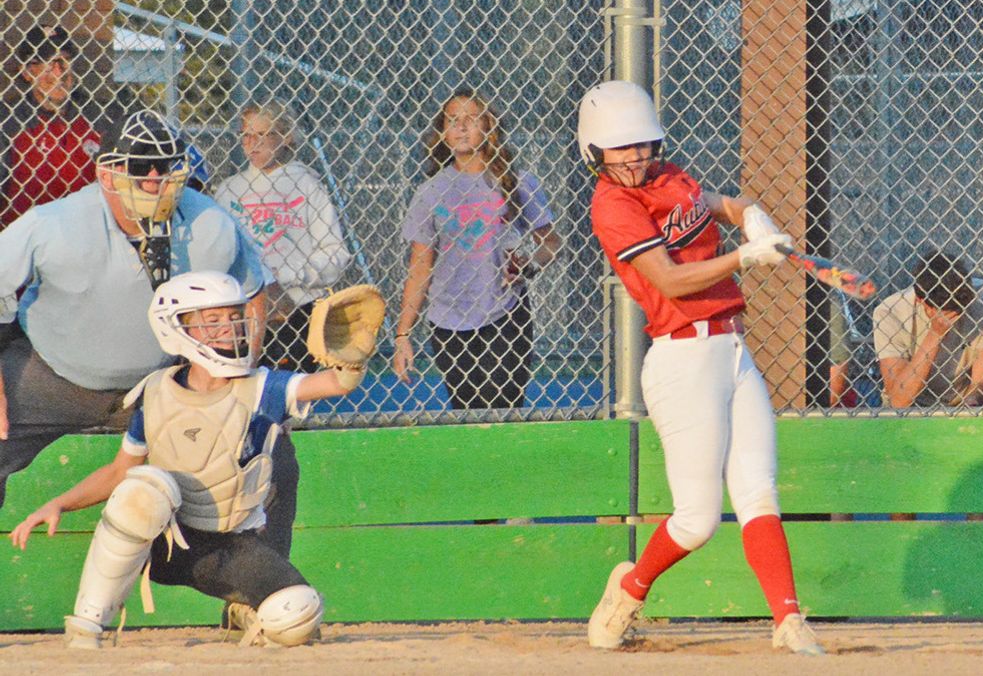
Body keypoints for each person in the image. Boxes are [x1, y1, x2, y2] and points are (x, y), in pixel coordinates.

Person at [577, 80, 824, 656]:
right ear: (595, 152)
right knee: (697, 520)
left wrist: (751, 216)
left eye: (642, 144)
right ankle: (629, 589)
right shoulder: (612, 205)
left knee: (759, 492)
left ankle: (788, 621)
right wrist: (743, 257)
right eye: (621, 148)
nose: (636, 156)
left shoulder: (670, 177)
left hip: (733, 352)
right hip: (682, 359)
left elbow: (721, 204)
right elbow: (666, 278)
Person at [9, 270, 371, 648]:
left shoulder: (263, 386)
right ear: (177, 329)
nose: (228, 328)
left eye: (234, 317)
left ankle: (242, 608)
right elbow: (120, 470)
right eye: (212, 320)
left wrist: (351, 363)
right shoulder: (157, 391)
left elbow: (332, 384)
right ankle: (88, 622)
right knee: (146, 488)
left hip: (229, 548)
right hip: (167, 543)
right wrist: (58, 504)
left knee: (298, 615)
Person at [0, 109, 272, 513]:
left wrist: (232, 375)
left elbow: (253, 293)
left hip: (157, 386)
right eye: (140, 166)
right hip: (50, 374)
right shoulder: (54, 224)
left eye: (165, 167)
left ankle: (267, 575)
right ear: (106, 174)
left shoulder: (209, 223)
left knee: (266, 454)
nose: (154, 180)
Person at [393, 88, 559, 410]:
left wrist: (528, 265)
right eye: (453, 120)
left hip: (504, 312)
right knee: (465, 412)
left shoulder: (515, 181)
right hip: (448, 320)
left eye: (472, 119)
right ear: (443, 132)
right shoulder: (430, 192)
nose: (462, 127)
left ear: (489, 127)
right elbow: (419, 267)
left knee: (501, 409)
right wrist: (403, 336)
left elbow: (551, 243)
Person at [213, 101, 350, 372]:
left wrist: (286, 278)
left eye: (263, 134)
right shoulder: (230, 190)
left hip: (297, 308)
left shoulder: (307, 185)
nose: (252, 143)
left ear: (285, 136)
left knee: (292, 392)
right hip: (246, 308)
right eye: (246, 135)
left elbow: (335, 253)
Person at [1, 25, 126, 228]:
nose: (59, 72)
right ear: (26, 71)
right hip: (27, 240)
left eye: (65, 61)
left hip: (90, 235)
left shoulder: (101, 116)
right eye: (48, 63)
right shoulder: (9, 121)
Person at [873, 249, 983, 408]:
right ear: (920, 300)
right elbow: (899, 400)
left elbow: (982, 380)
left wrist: (971, 404)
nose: (955, 318)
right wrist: (935, 334)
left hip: (963, 401)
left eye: (959, 310)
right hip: (912, 406)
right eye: (946, 312)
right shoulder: (890, 311)